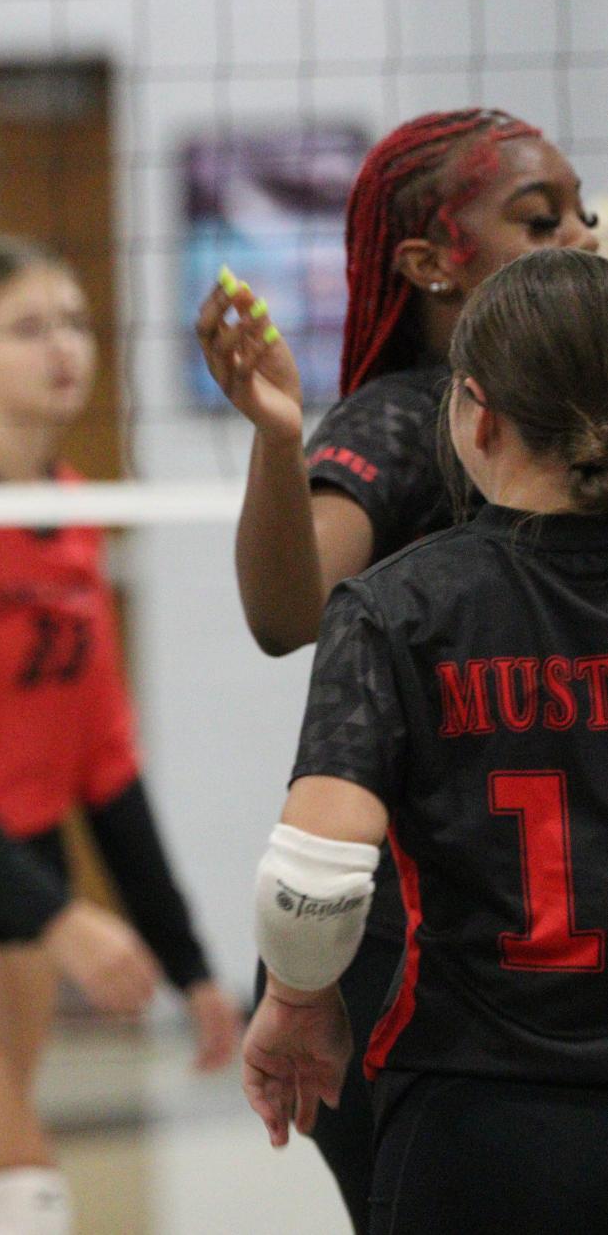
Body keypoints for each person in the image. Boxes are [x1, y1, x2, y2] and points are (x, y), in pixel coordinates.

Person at [195, 108, 600, 1223]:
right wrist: (281, 444)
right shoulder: (410, 419)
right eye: (541, 217)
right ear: (427, 264)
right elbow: (287, 612)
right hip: (426, 937)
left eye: (581, 207)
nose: (580, 231)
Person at [0, 243, 241, 1235]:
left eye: (73, 322)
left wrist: (190, 963)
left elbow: (104, 765)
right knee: (12, 1177)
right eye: (28, 327)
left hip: (22, 862)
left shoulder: (73, 509)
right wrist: (63, 917)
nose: (62, 346)